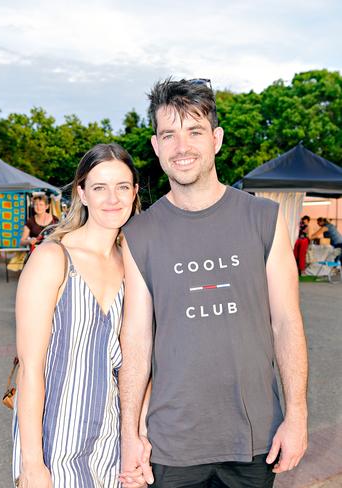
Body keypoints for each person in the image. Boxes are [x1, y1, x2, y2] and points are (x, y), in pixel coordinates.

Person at [119, 78, 308, 488]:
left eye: (194, 132)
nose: (181, 147)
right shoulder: (139, 233)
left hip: (254, 438)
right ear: (156, 145)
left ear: (217, 139)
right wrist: (129, 433)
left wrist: (297, 415)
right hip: (172, 443)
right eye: (169, 134)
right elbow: (135, 339)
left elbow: (287, 322)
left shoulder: (264, 218)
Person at [12, 143, 143, 488]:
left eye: (122, 186)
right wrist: (32, 464)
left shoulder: (133, 266)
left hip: (111, 444)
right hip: (54, 444)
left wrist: (138, 440)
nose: (112, 198)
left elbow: (138, 365)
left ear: (135, 192)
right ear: (82, 193)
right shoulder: (53, 258)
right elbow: (30, 369)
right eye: (99, 187)